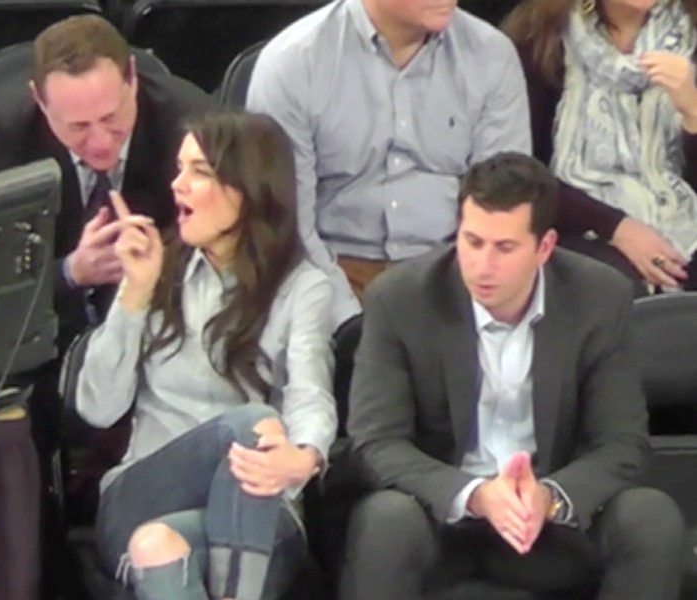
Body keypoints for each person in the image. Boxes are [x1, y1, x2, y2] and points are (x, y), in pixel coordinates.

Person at [342, 152, 685, 600]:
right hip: (440, 521)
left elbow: (622, 442)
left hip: (550, 522)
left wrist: (550, 497)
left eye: (504, 248)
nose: (483, 265)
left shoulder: (599, 297)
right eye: (472, 241)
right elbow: (375, 441)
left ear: (544, 247)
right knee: (385, 519)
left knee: (650, 517)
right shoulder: (401, 299)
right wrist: (475, 495)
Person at [76, 111, 337, 600]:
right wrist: (135, 292)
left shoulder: (302, 288)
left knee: (158, 547)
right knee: (252, 425)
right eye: (180, 169)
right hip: (143, 496)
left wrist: (304, 459)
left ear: (247, 188)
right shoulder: (157, 268)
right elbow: (97, 407)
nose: (178, 185)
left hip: (254, 511)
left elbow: (310, 391)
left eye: (199, 172)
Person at [247, 0, 531, 328]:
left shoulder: (491, 55)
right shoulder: (294, 62)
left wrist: (465, 303)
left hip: (451, 273)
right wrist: (346, 320)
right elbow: (286, 223)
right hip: (332, 271)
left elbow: (504, 204)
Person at [0, 14, 215, 350]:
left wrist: (157, 268)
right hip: (34, 338)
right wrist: (69, 273)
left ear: (132, 78)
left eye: (111, 117)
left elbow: (225, 255)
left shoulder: (194, 129)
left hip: (164, 324)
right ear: (40, 102)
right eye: (78, 126)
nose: (101, 142)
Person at [502, 0, 697, 293]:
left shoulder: (691, 33)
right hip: (573, 219)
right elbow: (520, 170)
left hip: (681, 219)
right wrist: (617, 227)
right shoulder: (538, 36)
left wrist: (693, 112)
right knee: (613, 285)